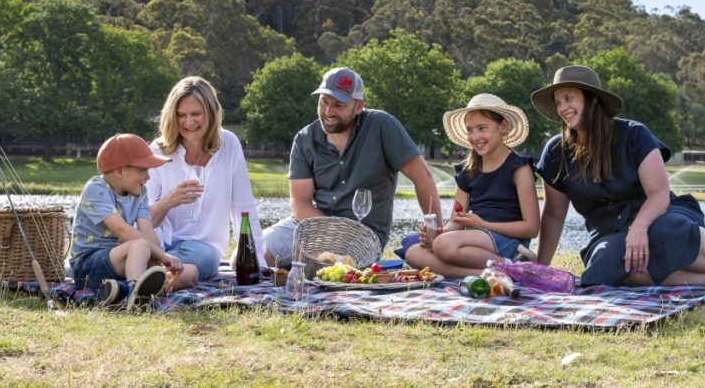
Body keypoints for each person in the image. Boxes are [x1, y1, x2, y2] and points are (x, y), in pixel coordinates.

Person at [531, 65, 705, 287]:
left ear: (592, 99)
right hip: (607, 232)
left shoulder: (634, 134)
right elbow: (554, 213)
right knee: (606, 272)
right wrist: (539, 268)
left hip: (658, 214)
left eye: (569, 98)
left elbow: (659, 194)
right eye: (558, 102)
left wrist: (638, 230)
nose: (562, 107)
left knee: (665, 233)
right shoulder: (555, 151)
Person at [262, 66, 442, 268]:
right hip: (314, 229)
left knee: (333, 273)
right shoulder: (305, 139)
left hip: (363, 236)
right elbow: (300, 203)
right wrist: (331, 232)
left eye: (339, 105)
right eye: (324, 102)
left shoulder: (382, 126)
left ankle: (303, 270)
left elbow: (423, 177)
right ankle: (288, 282)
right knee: (252, 253)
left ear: (358, 107)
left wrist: (434, 226)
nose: (329, 112)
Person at [146, 77, 267, 286]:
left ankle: (150, 279)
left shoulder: (228, 143)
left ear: (211, 113)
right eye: (181, 115)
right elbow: (142, 221)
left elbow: (244, 209)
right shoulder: (157, 150)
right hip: (158, 245)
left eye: (196, 114)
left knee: (205, 257)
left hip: (204, 249)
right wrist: (168, 201)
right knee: (142, 251)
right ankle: (153, 277)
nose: (188, 122)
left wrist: (260, 264)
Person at [405, 93, 540, 278]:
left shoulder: (518, 168)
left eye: (482, 128)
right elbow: (457, 221)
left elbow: (531, 228)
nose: (475, 136)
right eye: (470, 130)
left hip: (508, 241)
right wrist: (438, 232)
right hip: (477, 239)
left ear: (503, 127)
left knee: (444, 245)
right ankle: (489, 273)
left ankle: (511, 266)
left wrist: (483, 224)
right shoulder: (468, 169)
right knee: (413, 252)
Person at [68, 133, 183, 310]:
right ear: (119, 171)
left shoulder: (140, 192)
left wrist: (158, 268)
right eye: (143, 170)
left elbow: (147, 231)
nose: (148, 177)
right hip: (87, 265)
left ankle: (120, 289)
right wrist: (163, 256)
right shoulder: (96, 188)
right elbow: (122, 230)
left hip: (119, 260)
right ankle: (136, 300)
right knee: (140, 245)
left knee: (190, 271)